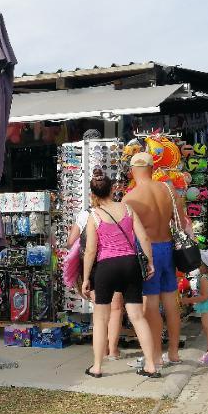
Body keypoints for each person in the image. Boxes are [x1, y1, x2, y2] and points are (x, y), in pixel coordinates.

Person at [80, 175, 160, 379]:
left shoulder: (94, 215)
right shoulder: (128, 209)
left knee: (101, 319)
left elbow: (91, 250)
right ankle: (151, 365)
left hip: (106, 267)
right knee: (137, 317)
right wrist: (150, 262)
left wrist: (86, 277)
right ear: (111, 189)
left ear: (92, 194)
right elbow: (143, 237)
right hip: (130, 264)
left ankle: (97, 366)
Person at [124, 151, 190, 369]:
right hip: (169, 248)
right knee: (171, 302)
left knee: (150, 305)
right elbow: (181, 222)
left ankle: (155, 355)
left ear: (132, 171)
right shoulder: (168, 189)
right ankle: (174, 353)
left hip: (148, 252)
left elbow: (127, 235)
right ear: (152, 169)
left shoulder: (131, 198)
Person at [66, 167, 123, 359]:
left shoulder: (85, 215)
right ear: (111, 190)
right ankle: (113, 350)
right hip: (117, 261)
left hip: (94, 266)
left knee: (101, 309)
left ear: (92, 194)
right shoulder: (121, 210)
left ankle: (101, 351)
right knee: (116, 307)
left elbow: (70, 242)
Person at [181, 249, 208, 365]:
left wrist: (188, 300)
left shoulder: (204, 279)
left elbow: (204, 297)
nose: (197, 266)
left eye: (199, 263)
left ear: (205, 266)